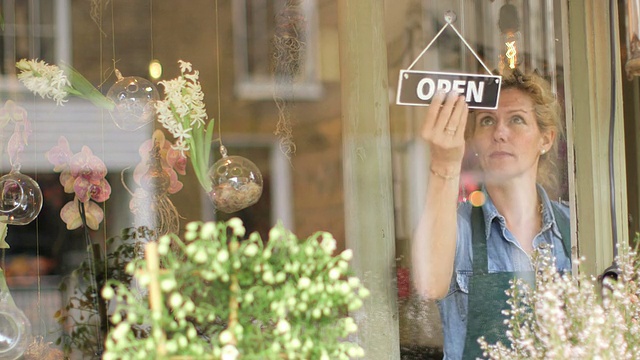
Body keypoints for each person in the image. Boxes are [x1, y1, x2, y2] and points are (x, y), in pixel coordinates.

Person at [411, 70, 571, 359]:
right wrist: (445, 164)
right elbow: (429, 284)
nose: (499, 132)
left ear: (546, 139)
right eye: (487, 121)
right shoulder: (456, 226)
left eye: (516, 119)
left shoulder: (575, 226)